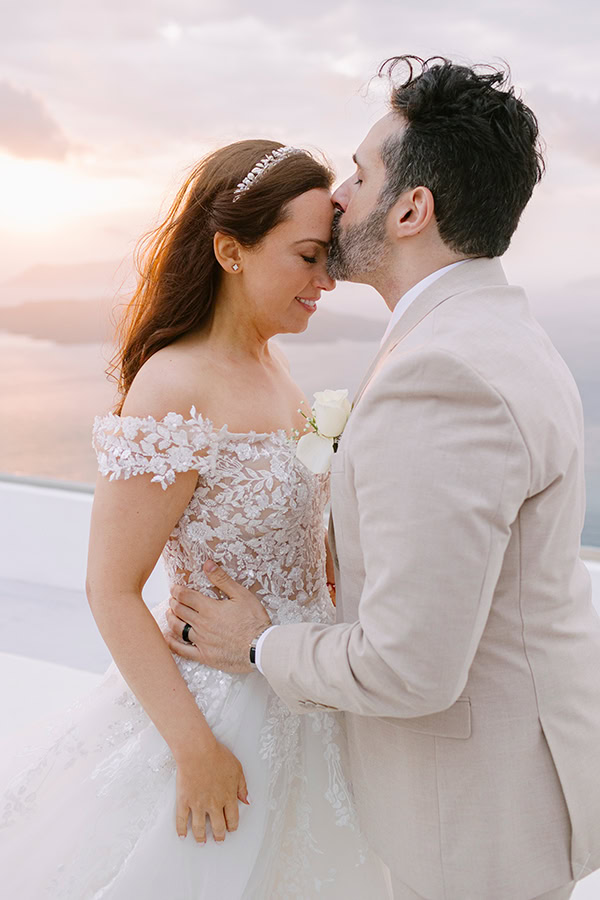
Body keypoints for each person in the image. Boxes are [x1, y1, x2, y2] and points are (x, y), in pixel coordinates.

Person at [163, 58, 600, 900]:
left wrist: (257, 645)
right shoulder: (497, 329)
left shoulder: (444, 373)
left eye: (360, 176)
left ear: (410, 210)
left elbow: (411, 667)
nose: (337, 197)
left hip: (469, 821)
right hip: (509, 786)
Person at [0, 140, 392, 898]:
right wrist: (194, 750)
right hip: (219, 708)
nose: (326, 281)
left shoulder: (275, 365)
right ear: (230, 251)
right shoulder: (174, 384)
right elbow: (111, 588)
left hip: (300, 688)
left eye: (330, 259)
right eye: (309, 257)